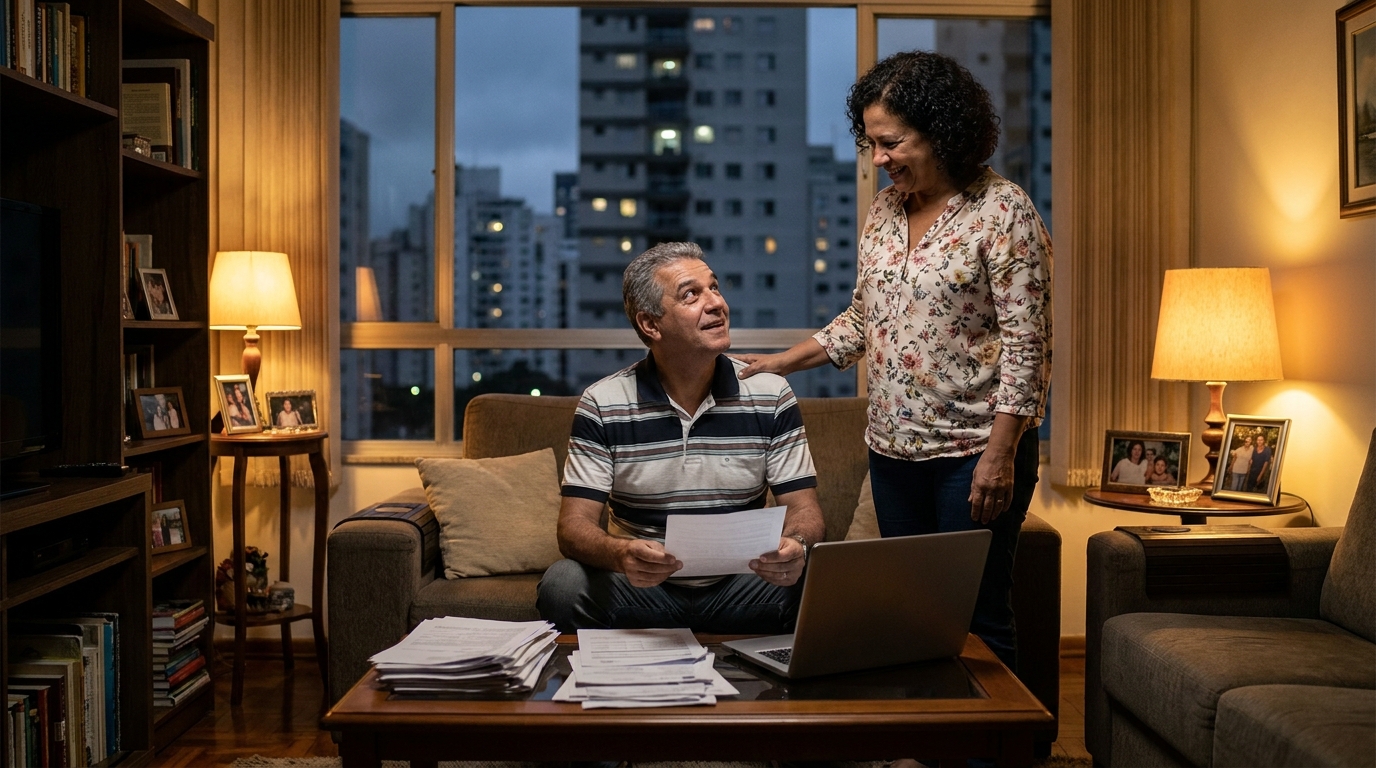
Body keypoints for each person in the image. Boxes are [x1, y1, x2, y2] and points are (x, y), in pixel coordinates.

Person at [735, 51, 1051, 672]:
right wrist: (779, 362)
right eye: (871, 143)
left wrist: (1000, 454)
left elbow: (1029, 344)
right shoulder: (883, 212)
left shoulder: (1002, 210)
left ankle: (999, 752)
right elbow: (862, 318)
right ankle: (927, 748)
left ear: (942, 133)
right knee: (913, 612)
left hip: (973, 453)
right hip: (893, 450)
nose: (878, 158)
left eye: (891, 142)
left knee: (979, 615)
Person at [536, 242, 827, 634]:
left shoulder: (770, 393)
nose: (716, 303)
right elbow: (573, 528)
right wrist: (622, 554)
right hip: (644, 589)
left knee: (822, 580)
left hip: (743, 586)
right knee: (562, 585)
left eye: (715, 288)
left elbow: (804, 510)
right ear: (651, 325)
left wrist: (797, 546)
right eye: (692, 294)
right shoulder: (603, 402)